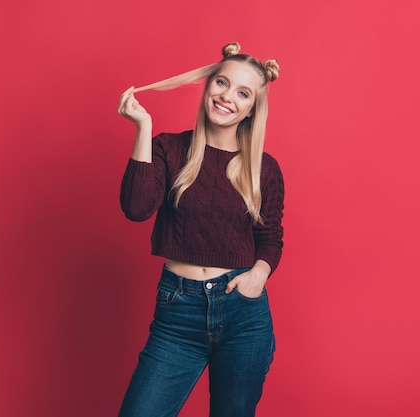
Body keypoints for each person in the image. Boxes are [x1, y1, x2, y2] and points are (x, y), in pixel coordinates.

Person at [116, 42, 284, 417]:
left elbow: (270, 239)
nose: (227, 97)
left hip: (244, 316)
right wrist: (144, 128)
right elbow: (136, 208)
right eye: (221, 83)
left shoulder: (264, 169)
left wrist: (258, 274)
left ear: (253, 108)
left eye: (243, 93)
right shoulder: (170, 149)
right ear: (208, 85)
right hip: (178, 314)